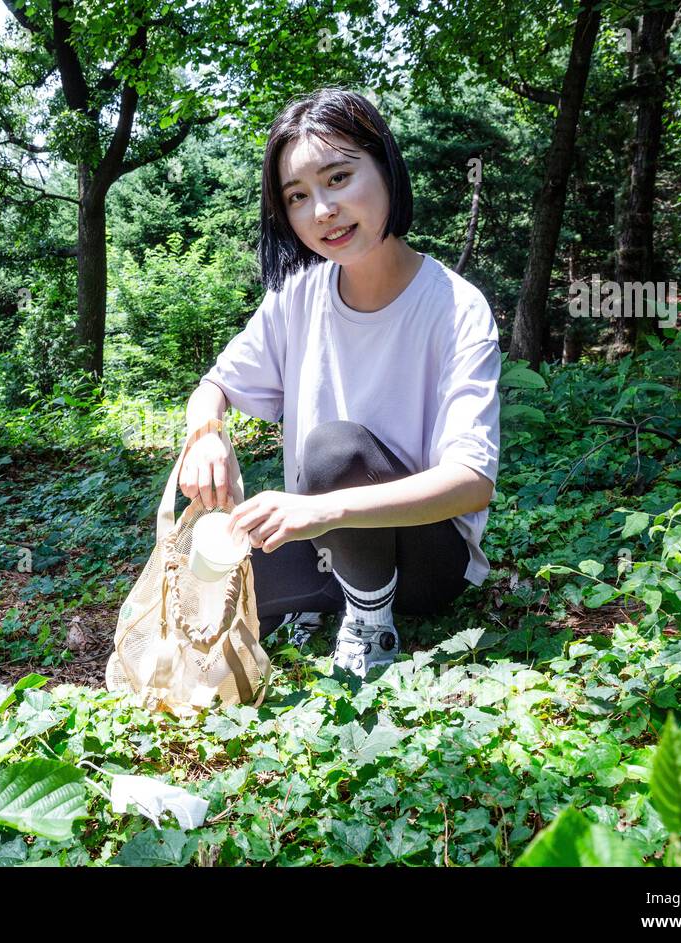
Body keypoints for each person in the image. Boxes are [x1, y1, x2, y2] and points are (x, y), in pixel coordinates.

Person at [179, 88, 501, 678]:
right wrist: (206, 431)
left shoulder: (455, 307)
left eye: (339, 178)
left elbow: (471, 483)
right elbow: (215, 383)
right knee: (206, 582)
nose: (322, 210)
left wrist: (322, 511)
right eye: (297, 196)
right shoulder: (296, 296)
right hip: (326, 536)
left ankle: (371, 621)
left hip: (425, 556)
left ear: (386, 167)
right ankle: (328, 599)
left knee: (334, 449)